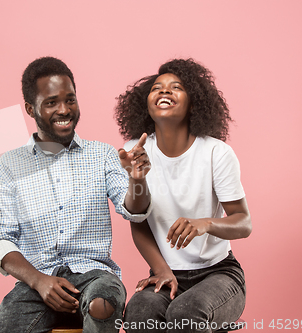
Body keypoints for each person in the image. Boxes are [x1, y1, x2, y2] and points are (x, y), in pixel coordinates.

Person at [0, 56, 152, 333]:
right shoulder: (9, 165)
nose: (64, 109)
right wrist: (39, 281)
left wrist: (138, 179)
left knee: (104, 303)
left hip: (94, 276)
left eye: (70, 99)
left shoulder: (102, 155)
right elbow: (0, 240)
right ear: (30, 108)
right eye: (51, 102)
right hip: (37, 282)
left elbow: (133, 210)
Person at [115, 58, 252, 333]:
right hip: (165, 272)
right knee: (138, 316)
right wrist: (136, 178)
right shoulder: (134, 152)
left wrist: (206, 223)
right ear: (146, 103)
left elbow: (243, 222)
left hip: (218, 273)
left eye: (175, 87)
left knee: (185, 314)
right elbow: (138, 221)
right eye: (157, 88)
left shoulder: (216, 153)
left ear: (194, 103)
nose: (164, 91)